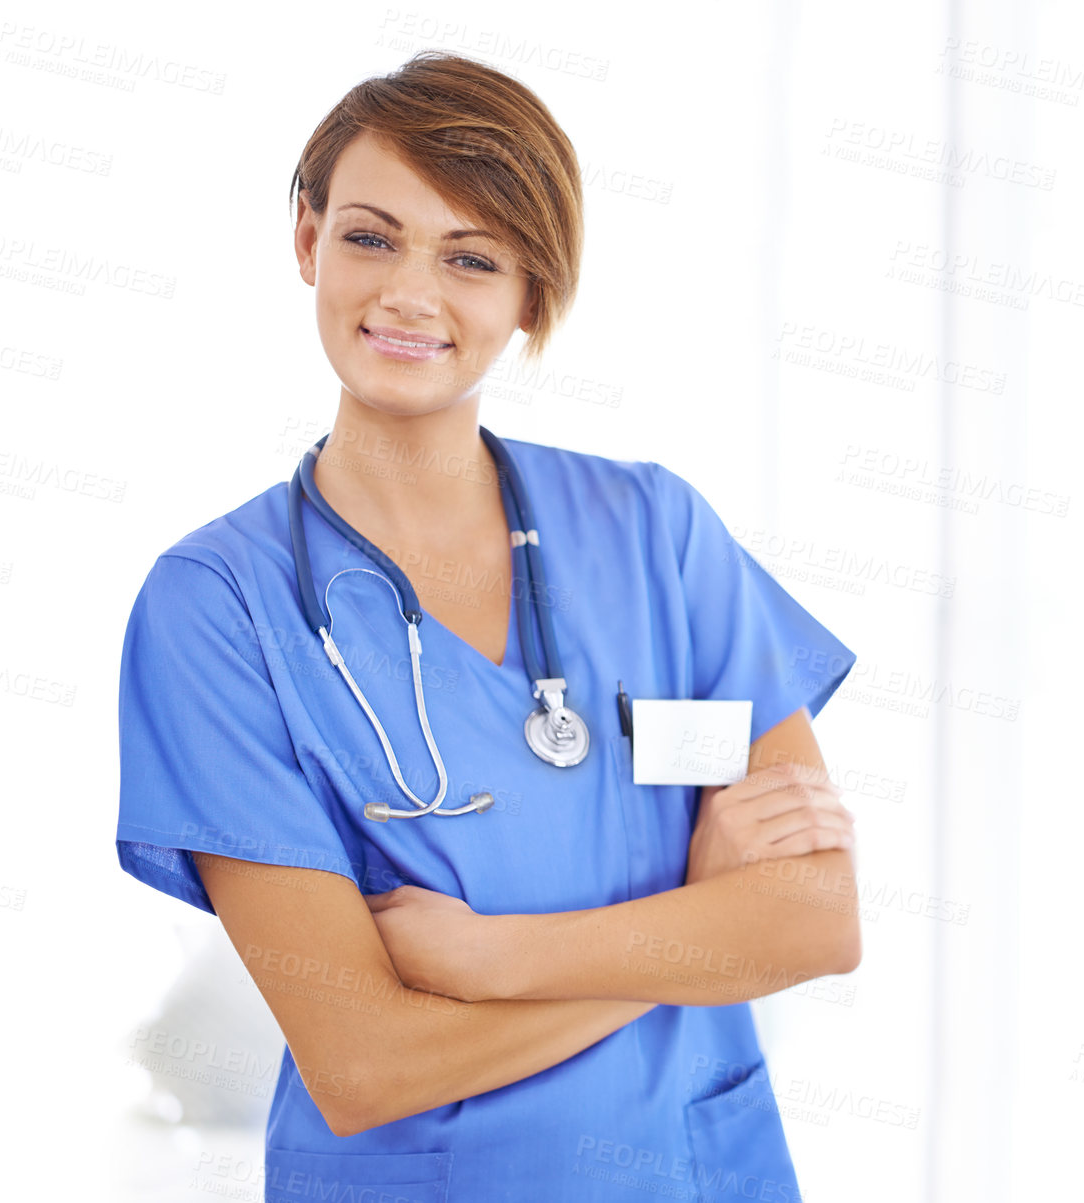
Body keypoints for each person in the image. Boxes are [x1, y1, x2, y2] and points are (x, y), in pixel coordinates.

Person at [114, 50, 861, 1203]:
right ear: (307, 241)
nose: (411, 293)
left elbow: (814, 922)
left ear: (533, 296)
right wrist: (694, 939)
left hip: (697, 1172)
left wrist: (485, 958)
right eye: (370, 237)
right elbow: (364, 1063)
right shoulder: (217, 607)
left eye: (470, 257)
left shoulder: (656, 533)